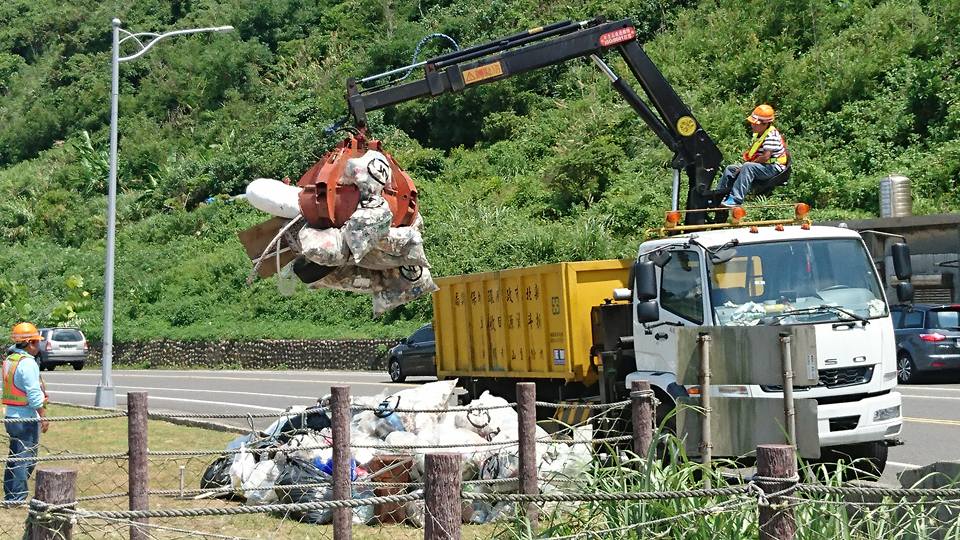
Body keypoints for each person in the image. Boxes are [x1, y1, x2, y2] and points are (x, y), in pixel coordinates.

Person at [3, 322, 49, 501]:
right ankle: (16, 497)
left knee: (15, 457)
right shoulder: (28, 363)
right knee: (25, 460)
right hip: (25, 418)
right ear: (29, 343)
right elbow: (33, 395)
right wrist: (43, 416)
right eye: (37, 342)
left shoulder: (10, 360)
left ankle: (11, 494)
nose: (39, 346)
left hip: (12, 416)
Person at [718, 104, 790, 207]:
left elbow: (765, 157)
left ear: (766, 124)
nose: (752, 125)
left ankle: (735, 199)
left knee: (748, 167)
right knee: (731, 169)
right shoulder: (759, 134)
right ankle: (718, 196)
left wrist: (746, 165)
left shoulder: (771, 136)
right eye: (752, 123)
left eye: (756, 124)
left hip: (773, 168)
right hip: (763, 166)